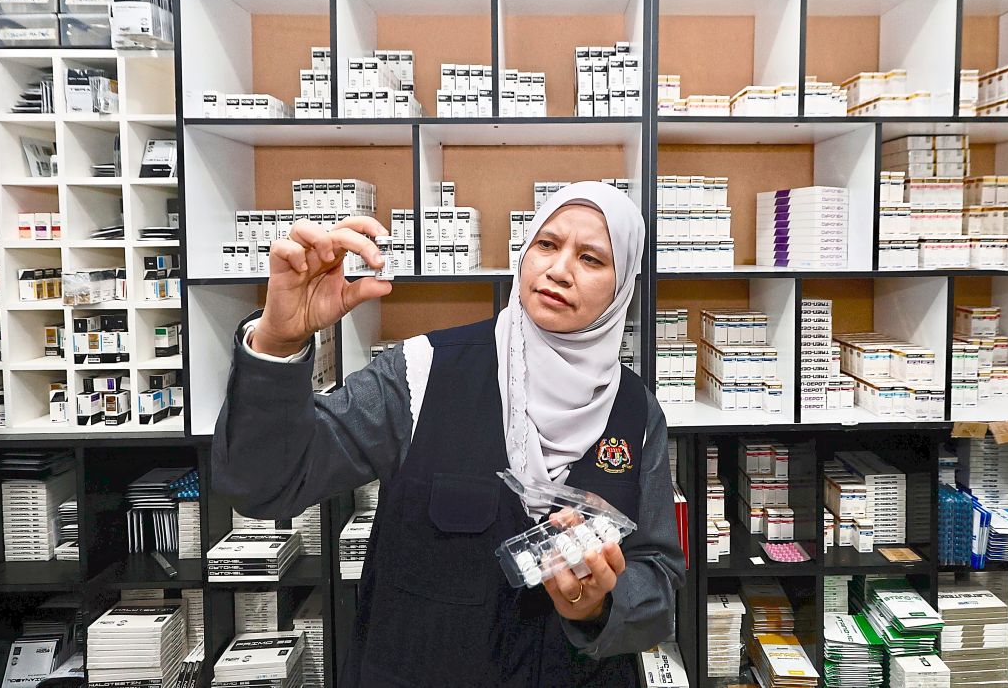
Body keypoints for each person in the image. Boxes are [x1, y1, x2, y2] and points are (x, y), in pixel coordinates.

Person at [211, 181, 686, 687]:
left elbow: (658, 582)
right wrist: (278, 342)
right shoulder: (421, 371)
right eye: (546, 244)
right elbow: (265, 484)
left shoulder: (636, 413)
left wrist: (598, 606)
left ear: (622, 285)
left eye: (591, 258)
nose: (559, 270)